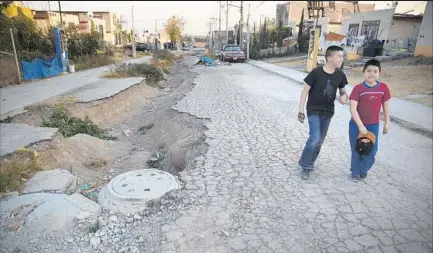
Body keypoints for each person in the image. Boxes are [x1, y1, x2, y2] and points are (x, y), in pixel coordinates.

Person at [298, 45, 349, 180]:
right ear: (329, 57)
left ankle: (308, 161)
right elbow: (305, 92)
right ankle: (306, 166)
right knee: (314, 138)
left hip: (328, 112)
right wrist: (300, 111)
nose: (341, 59)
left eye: (342, 56)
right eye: (339, 56)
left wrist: (344, 97)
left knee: (319, 141)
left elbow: (343, 92)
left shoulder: (340, 75)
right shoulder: (316, 73)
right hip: (313, 110)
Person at [348, 59, 391, 181]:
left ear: (379, 73)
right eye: (368, 71)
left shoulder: (383, 87)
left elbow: (386, 105)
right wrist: (360, 125)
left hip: (373, 125)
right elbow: (353, 109)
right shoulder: (358, 88)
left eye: (375, 71)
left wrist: (387, 122)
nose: (371, 74)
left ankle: (363, 169)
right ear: (364, 72)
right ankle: (355, 172)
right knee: (357, 148)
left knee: (371, 149)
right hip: (356, 125)